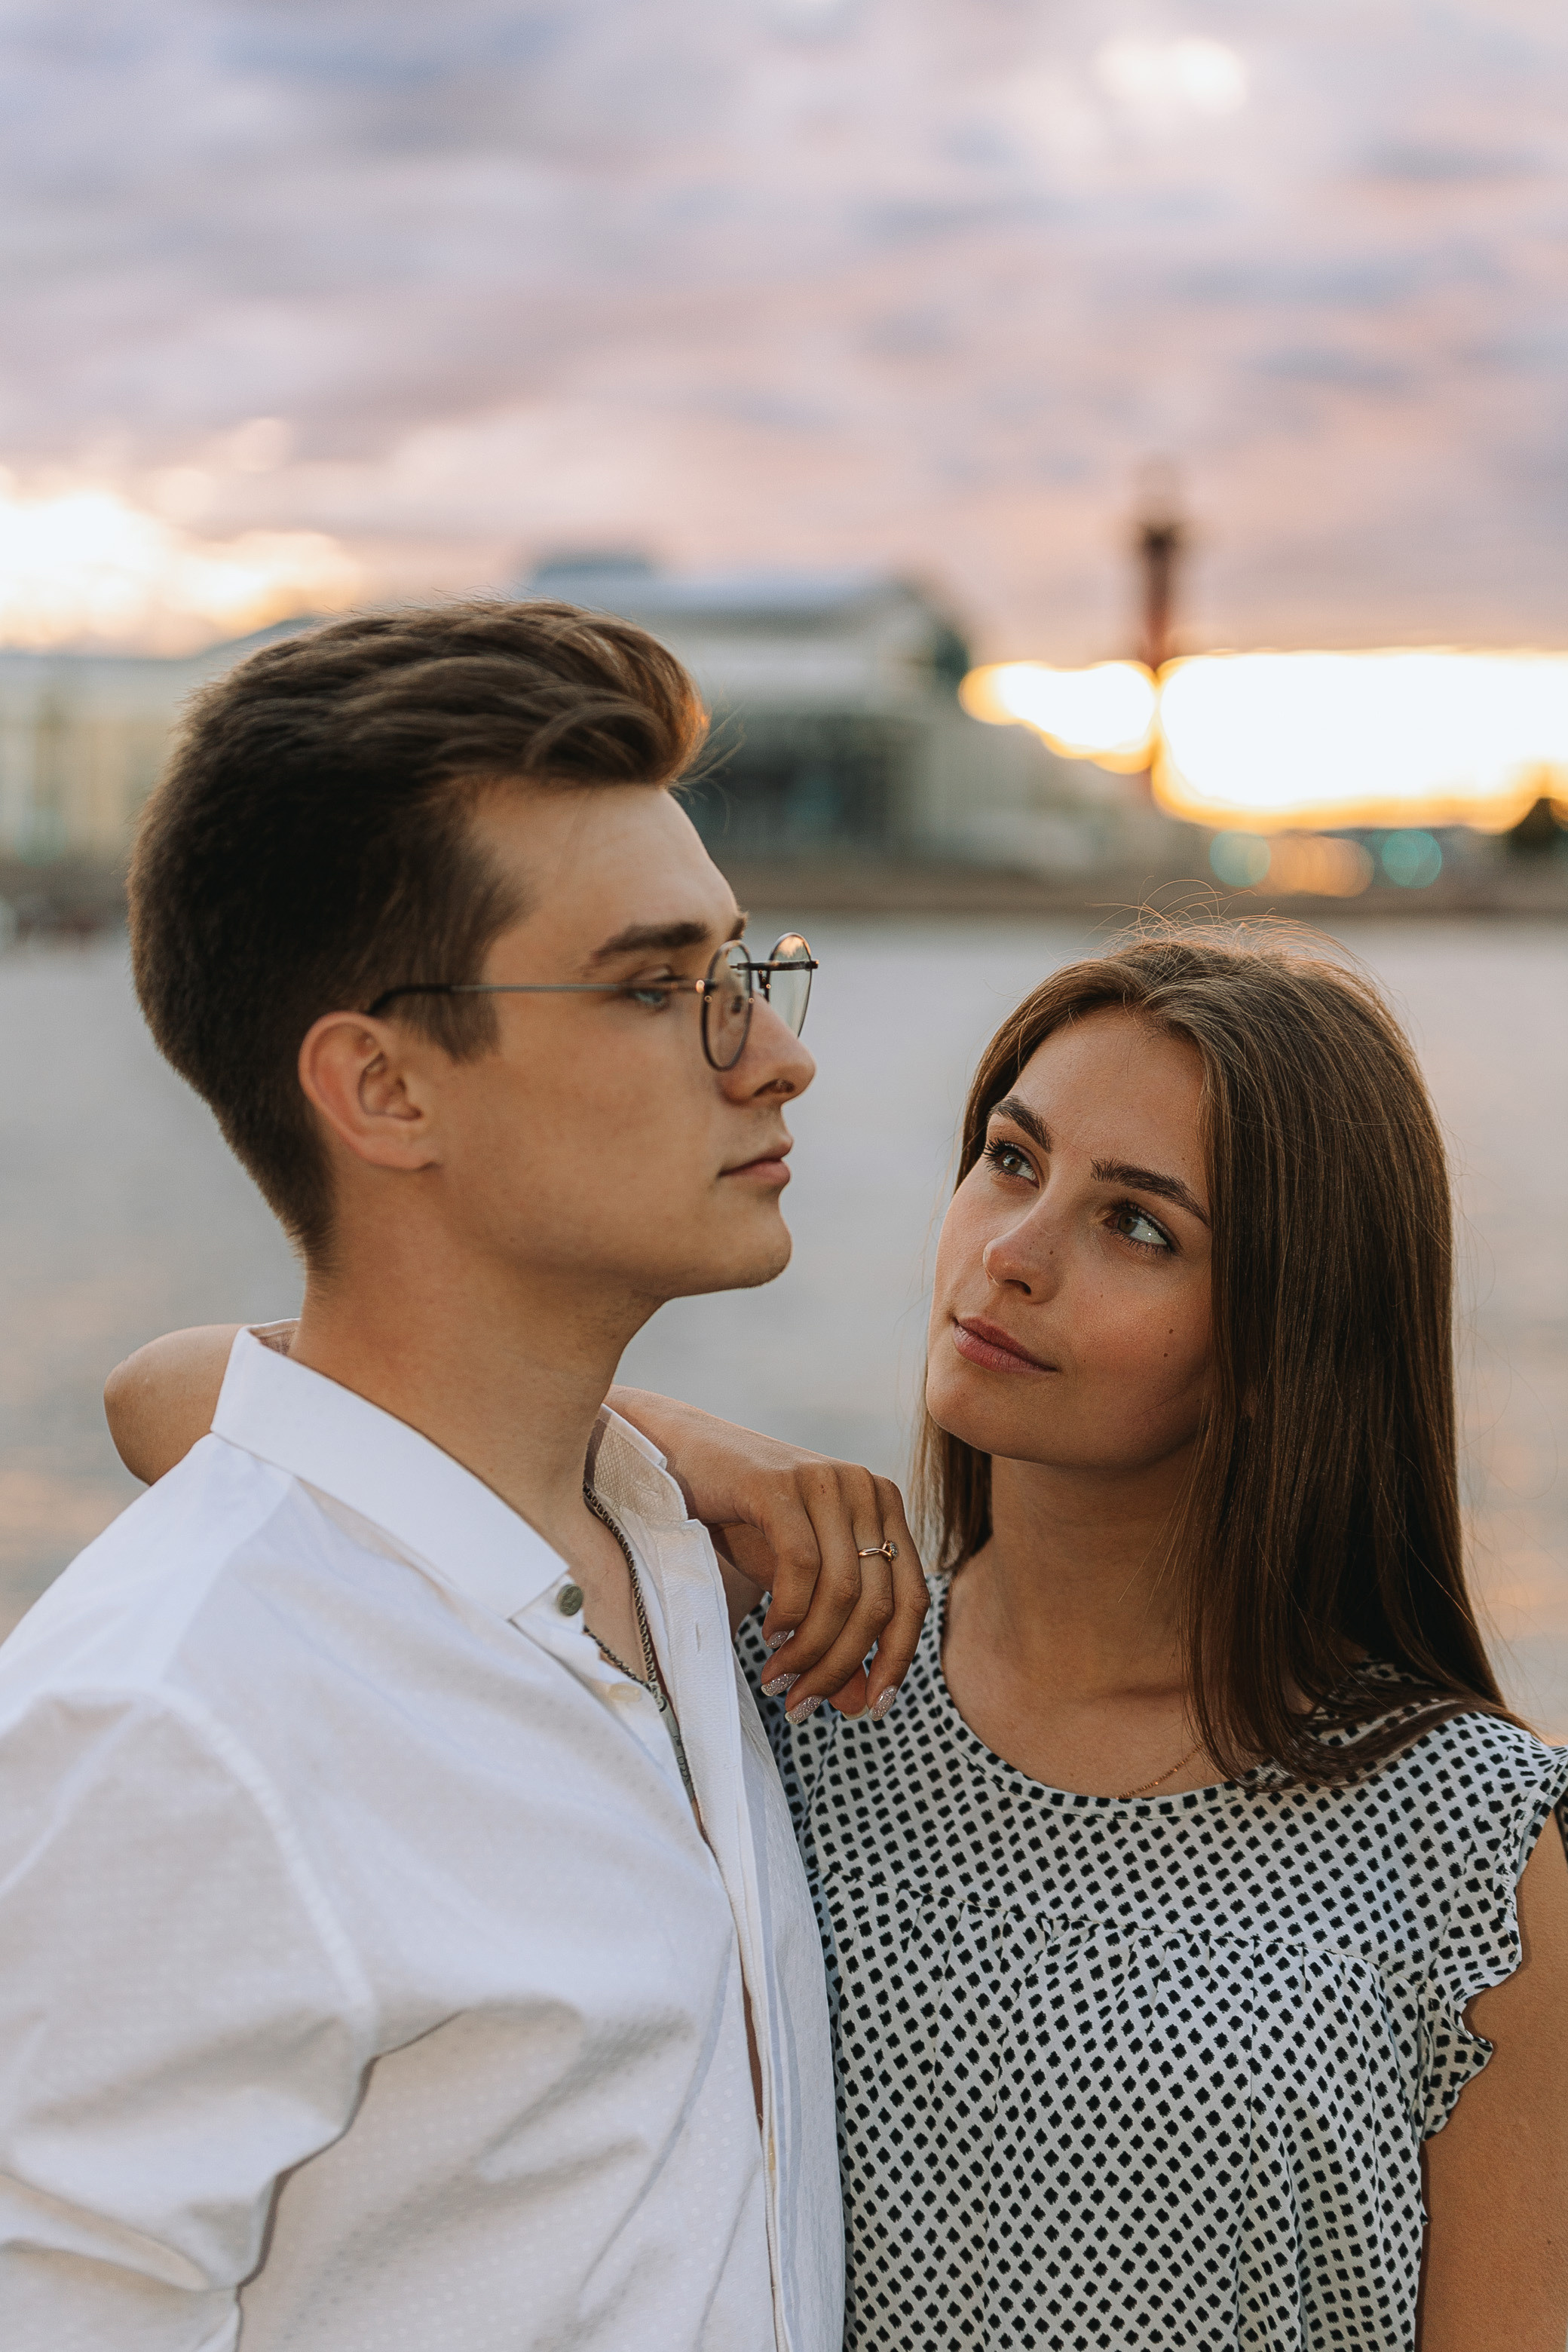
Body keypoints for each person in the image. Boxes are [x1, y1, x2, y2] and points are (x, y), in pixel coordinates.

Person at [104, 933, 1568, 2350]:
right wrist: (680, 1456)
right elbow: (177, 1404)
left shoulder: (1469, 1840)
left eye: (1135, 1225)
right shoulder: (779, 1667)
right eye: (1010, 1158)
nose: (1008, 1254)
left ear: (1281, 1342)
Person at [0, 601, 929, 2352]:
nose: (773, 1054)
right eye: (658, 988)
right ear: (382, 1089)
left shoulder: (669, 1563)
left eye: (743, 970)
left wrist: (676, 1463)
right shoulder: (171, 1732)